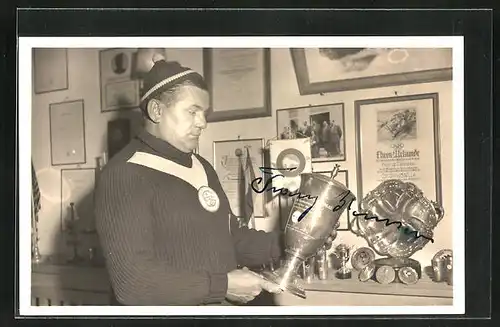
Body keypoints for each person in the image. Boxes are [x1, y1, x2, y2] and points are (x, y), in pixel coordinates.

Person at [94, 58, 284, 306]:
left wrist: (290, 242)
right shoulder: (124, 173)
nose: (203, 123)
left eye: (204, 113)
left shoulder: (203, 167)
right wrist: (222, 286)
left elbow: (231, 239)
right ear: (157, 111)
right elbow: (132, 282)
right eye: (192, 111)